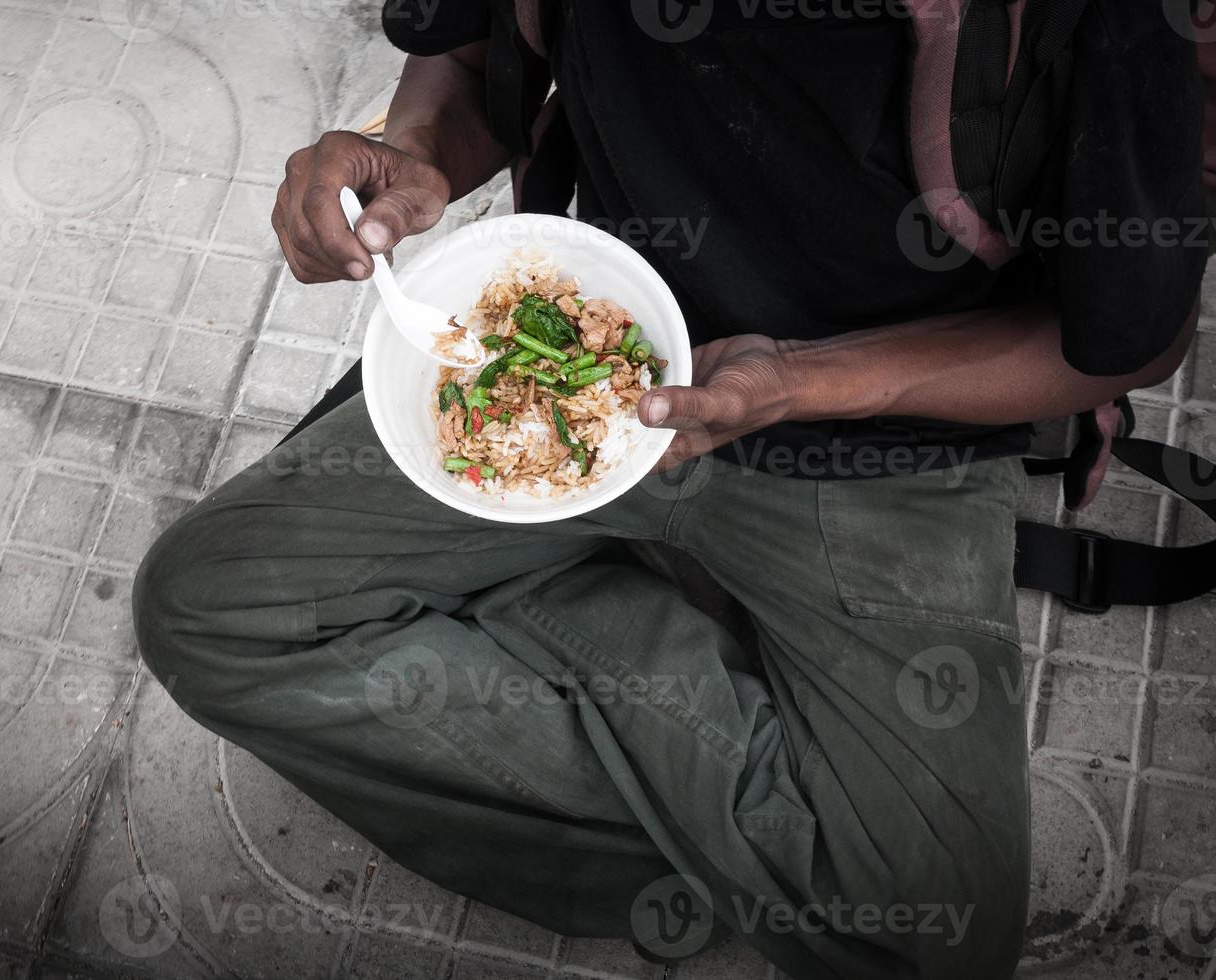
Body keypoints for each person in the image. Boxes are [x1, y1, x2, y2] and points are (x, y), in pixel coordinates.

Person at [133, 3, 1207, 977]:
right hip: (583, 356)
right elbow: (469, 62)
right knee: (208, 611)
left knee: (932, 937)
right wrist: (409, 156)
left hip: (886, 429)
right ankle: (727, 775)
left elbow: (1125, 342)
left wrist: (801, 381)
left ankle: (593, 643)